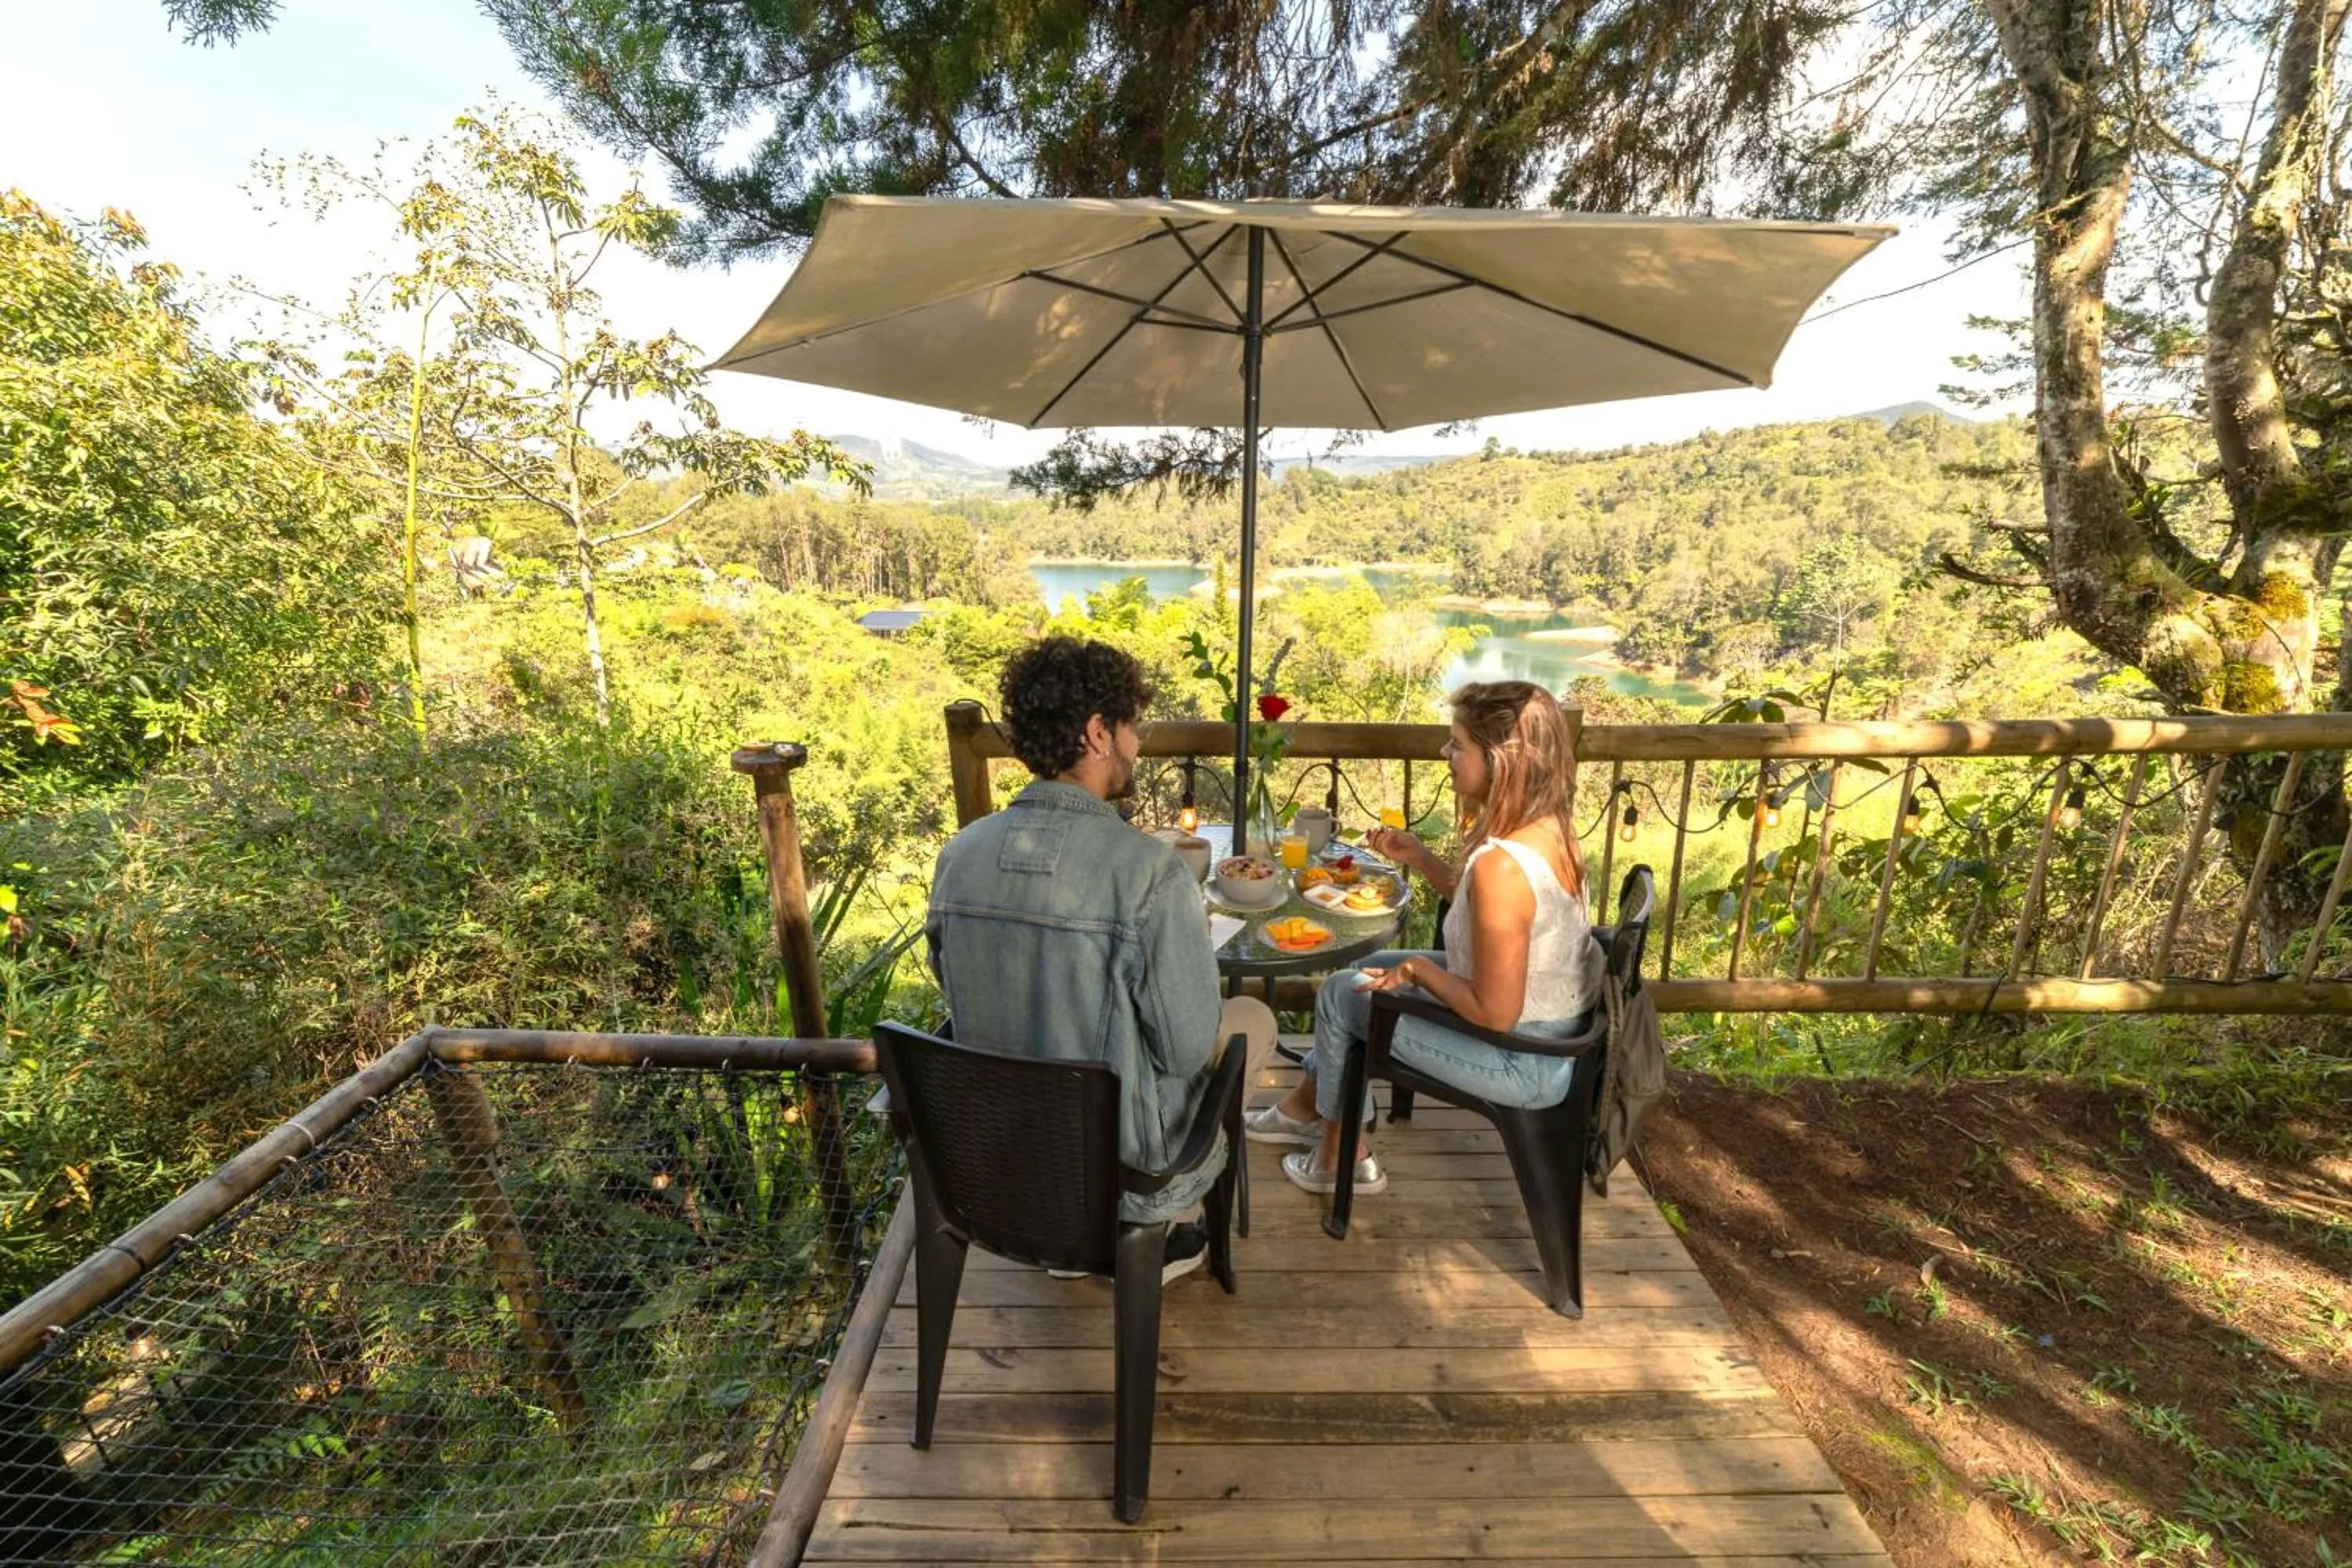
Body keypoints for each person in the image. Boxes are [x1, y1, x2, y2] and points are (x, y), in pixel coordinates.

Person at [926, 637, 1277, 1282]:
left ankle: (1065, 1230)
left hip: (998, 1152)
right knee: (1252, 1018)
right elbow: (1184, 1049)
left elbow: (961, 994)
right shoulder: (1146, 871)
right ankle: (1156, 1231)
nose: (1138, 744)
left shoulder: (958, 856)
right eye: (1131, 727)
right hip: (1120, 1167)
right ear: (1097, 733)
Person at [1244, 680, 1599, 1196]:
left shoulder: (1504, 866)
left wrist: (1418, 973)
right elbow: (1490, 911)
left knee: (1345, 994)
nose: (1445, 754)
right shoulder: (1547, 828)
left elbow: (1496, 1013)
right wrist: (1418, 858)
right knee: (1368, 971)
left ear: (1500, 760)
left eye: (1458, 745)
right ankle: (1307, 1106)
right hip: (1551, 1033)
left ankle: (1342, 1157)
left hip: (1523, 1061)